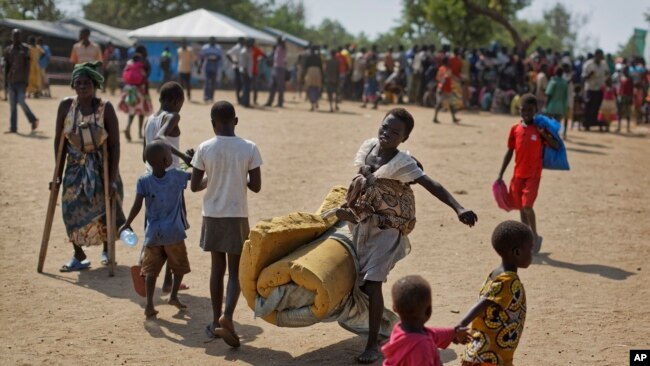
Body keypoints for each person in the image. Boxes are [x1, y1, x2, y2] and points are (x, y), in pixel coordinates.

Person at [335, 108, 477, 364]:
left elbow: (431, 184)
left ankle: (372, 347)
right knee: (363, 284)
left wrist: (458, 207)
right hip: (364, 224)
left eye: (395, 132)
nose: (386, 133)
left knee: (373, 282)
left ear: (404, 139)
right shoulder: (368, 148)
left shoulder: (402, 163)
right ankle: (388, 326)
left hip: (388, 230)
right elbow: (360, 182)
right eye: (385, 127)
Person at [190, 101, 262, 348]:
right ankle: (228, 316)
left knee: (216, 269)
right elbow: (256, 186)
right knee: (235, 270)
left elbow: (194, 185)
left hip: (212, 215)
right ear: (236, 121)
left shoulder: (204, 148)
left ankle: (214, 321)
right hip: (237, 215)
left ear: (212, 124)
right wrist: (238, 172)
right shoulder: (249, 148)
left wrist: (212, 173)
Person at [55, 61, 125, 271]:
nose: (83, 86)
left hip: (101, 168)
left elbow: (114, 145)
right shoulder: (66, 106)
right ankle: (79, 255)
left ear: (94, 85)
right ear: (73, 85)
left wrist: (112, 178)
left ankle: (106, 249)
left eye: (87, 83)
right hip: (74, 168)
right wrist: (57, 175)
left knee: (105, 210)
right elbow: (58, 142)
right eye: (78, 83)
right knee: (70, 210)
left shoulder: (106, 108)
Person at [120, 141, 192, 318]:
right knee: (179, 267)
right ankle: (173, 296)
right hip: (174, 234)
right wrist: (193, 160)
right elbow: (193, 176)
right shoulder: (176, 176)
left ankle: (150, 305)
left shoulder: (144, 181)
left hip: (153, 235)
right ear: (167, 161)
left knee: (150, 271)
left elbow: (137, 205)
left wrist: (127, 223)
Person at [457, 220, 533, 366]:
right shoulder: (507, 280)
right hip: (488, 357)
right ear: (517, 252)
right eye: (530, 249)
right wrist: (460, 325)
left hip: (487, 354)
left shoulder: (496, 275)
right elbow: (484, 302)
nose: (532, 254)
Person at [143, 81, 195, 294]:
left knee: (156, 227)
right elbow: (161, 138)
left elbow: (145, 152)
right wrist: (183, 157)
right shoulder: (172, 116)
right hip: (170, 182)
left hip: (151, 177)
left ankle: (157, 277)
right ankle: (168, 282)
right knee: (173, 230)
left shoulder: (149, 120)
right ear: (176, 101)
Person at [497, 94, 559, 253]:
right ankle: (527, 238)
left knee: (527, 206)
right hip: (518, 174)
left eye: (530, 110)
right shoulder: (515, 129)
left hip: (533, 175)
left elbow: (555, 145)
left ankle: (535, 236)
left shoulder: (540, 129)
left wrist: (544, 134)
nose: (526, 112)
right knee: (520, 208)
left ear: (535, 110)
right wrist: (500, 174)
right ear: (519, 110)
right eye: (523, 109)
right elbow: (509, 152)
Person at [382, 275, 471, 366]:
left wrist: (453, 333)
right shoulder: (422, 348)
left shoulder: (399, 329)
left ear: (394, 308)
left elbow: (432, 334)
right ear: (429, 311)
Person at [3, 29, 39, 133]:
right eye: (14, 36)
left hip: (21, 81)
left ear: (20, 37)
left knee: (21, 101)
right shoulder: (8, 50)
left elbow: (28, 66)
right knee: (12, 105)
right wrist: (5, 81)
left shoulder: (25, 49)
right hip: (11, 80)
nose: (16, 38)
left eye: (18, 36)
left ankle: (33, 119)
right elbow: (7, 66)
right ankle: (13, 128)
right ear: (11, 37)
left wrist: (27, 80)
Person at [119, 52, 152, 141]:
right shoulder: (140, 67)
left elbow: (125, 78)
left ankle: (128, 126)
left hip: (130, 91)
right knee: (141, 113)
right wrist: (147, 93)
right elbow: (145, 80)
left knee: (131, 112)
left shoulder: (128, 66)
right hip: (139, 91)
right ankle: (140, 133)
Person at [581, 50, 609, 131]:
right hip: (590, 88)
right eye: (599, 55)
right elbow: (583, 77)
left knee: (598, 107)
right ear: (596, 55)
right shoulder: (588, 64)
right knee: (589, 107)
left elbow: (607, 75)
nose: (601, 57)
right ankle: (587, 125)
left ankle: (597, 124)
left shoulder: (604, 64)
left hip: (600, 89)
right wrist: (590, 75)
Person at [433, 57, 460, 124]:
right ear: (446, 62)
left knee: (441, 104)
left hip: (444, 88)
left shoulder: (441, 68)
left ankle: (436, 118)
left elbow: (438, 78)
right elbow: (445, 79)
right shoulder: (446, 69)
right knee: (444, 104)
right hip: (444, 89)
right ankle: (435, 118)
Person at [197, 37, 223, 103]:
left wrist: (216, 59)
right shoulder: (205, 47)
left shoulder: (218, 48)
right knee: (207, 82)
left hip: (215, 66)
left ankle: (211, 97)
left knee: (213, 83)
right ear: (209, 41)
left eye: (213, 40)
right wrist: (199, 67)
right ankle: (206, 96)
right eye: (211, 40)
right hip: (207, 66)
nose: (212, 42)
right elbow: (202, 58)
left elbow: (220, 58)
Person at [265, 36, 287, 107]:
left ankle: (280, 103)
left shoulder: (282, 47)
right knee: (272, 86)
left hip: (280, 68)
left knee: (280, 87)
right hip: (275, 68)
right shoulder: (278, 47)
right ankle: (269, 102)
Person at [303, 45, 323, 111]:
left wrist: (303, 75)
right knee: (316, 88)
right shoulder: (318, 57)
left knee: (310, 88)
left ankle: (312, 105)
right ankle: (316, 101)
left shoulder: (308, 57)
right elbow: (321, 67)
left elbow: (305, 67)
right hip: (317, 72)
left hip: (310, 72)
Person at [226, 37, 245, 104]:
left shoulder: (244, 47)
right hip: (237, 68)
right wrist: (233, 62)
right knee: (238, 84)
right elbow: (227, 54)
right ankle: (238, 99)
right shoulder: (237, 47)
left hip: (242, 68)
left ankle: (242, 98)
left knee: (243, 84)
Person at [617, 66, 633, 132]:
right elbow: (619, 88)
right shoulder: (621, 78)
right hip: (621, 96)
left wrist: (631, 98)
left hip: (628, 96)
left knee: (628, 112)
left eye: (626, 70)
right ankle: (619, 127)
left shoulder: (630, 78)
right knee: (620, 112)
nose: (624, 71)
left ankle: (628, 128)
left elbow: (631, 89)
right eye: (624, 70)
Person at [238, 39, 253, 108]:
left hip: (248, 72)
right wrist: (246, 72)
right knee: (245, 88)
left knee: (246, 88)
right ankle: (244, 102)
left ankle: (246, 102)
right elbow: (243, 64)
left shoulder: (248, 50)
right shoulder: (244, 51)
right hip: (245, 72)